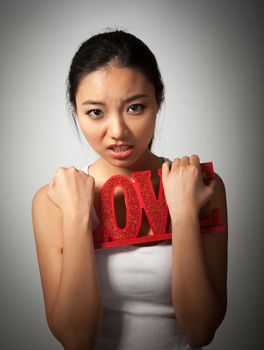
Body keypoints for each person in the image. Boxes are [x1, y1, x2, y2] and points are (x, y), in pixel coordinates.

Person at [31, 29, 228, 350]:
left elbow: (201, 331)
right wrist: (78, 218)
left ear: (158, 100)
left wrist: (184, 216)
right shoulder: (52, 201)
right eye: (96, 112)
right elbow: (75, 340)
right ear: (76, 112)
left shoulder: (202, 187)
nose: (118, 131)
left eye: (135, 107)